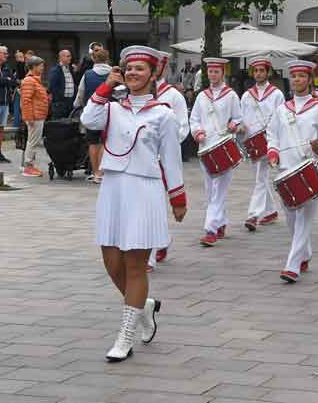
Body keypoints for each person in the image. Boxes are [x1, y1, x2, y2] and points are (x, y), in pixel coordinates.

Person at [80, 45, 187, 362]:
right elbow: (88, 118)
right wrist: (107, 85)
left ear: (153, 75)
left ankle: (125, 338)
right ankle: (145, 306)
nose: (132, 73)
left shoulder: (163, 114)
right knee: (112, 263)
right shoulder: (112, 108)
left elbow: (171, 159)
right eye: (128, 68)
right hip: (113, 189)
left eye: (140, 69)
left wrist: (177, 198)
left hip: (145, 189)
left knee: (136, 265)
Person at [267, 60, 318, 283]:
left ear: (309, 79)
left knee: (305, 219)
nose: (297, 80)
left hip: (309, 169)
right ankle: (305, 254)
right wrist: (273, 152)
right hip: (286, 170)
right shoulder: (281, 109)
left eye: (301, 76)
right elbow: (272, 134)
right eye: (294, 76)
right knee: (292, 220)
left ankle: (292, 266)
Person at [190, 57, 243, 247]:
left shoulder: (231, 95)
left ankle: (210, 229)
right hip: (205, 147)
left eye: (216, 72)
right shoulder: (202, 96)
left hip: (224, 146)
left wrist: (233, 124)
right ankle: (220, 222)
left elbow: (238, 118)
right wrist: (197, 132)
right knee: (210, 190)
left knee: (219, 190)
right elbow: (194, 119)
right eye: (210, 72)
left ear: (223, 73)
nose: (212, 75)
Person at [148, 51, 190, 271]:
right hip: (143, 158)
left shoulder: (173, 95)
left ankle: (157, 245)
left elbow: (183, 125)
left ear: (163, 69)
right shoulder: (135, 93)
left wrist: (167, 146)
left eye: (156, 67)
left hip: (163, 159)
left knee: (158, 201)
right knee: (150, 203)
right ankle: (155, 246)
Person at [240, 56, 285, 231]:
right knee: (260, 177)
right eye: (256, 71)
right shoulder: (246, 95)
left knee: (260, 177)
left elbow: (281, 118)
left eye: (262, 71)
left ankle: (253, 214)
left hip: (268, 140)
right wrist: (240, 129)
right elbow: (242, 117)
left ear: (268, 72)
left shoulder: (277, 94)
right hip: (252, 142)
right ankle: (271, 211)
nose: (258, 74)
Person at [74, 48, 113, 184]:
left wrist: (77, 105)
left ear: (94, 60)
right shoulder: (113, 74)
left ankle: (95, 172)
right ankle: (102, 172)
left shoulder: (88, 74)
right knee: (105, 142)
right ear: (107, 59)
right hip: (110, 113)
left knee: (93, 142)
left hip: (92, 112)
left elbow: (81, 92)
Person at [20, 56, 50, 178]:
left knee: (33, 141)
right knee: (33, 141)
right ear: (34, 67)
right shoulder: (29, 81)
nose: (43, 68)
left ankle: (29, 165)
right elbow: (25, 100)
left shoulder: (35, 80)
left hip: (38, 115)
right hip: (35, 116)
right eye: (41, 65)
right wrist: (29, 117)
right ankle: (28, 166)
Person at [48, 49, 77, 119]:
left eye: (70, 56)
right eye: (68, 56)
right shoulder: (55, 70)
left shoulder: (71, 69)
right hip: (60, 103)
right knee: (58, 125)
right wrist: (59, 100)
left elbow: (75, 83)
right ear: (61, 58)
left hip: (70, 102)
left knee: (70, 124)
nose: (70, 58)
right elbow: (52, 87)